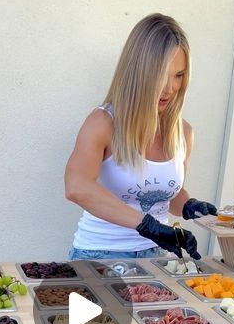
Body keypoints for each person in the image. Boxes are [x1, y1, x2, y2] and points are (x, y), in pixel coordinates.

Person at [65, 13, 217, 262]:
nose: (170, 88)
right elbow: (76, 188)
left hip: (157, 258)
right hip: (99, 255)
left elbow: (165, 194)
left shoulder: (183, 132)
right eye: (161, 74)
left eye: (178, 75)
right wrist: (149, 226)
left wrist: (190, 206)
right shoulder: (103, 123)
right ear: (138, 71)